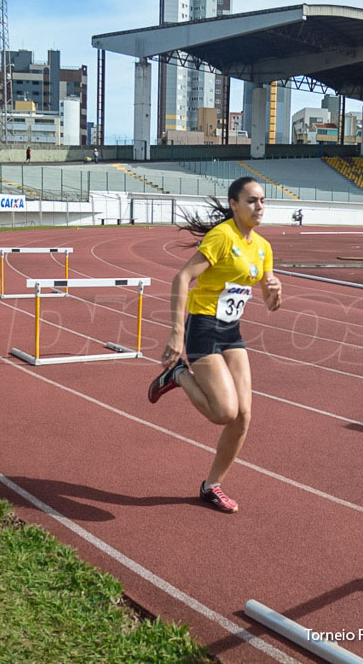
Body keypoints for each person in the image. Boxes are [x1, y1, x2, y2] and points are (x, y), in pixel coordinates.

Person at [147, 177, 283, 513]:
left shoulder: (263, 247)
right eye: (251, 201)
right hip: (203, 327)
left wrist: (275, 294)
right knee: (224, 412)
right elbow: (182, 278)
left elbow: (268, 302)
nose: (259, 207)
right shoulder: (222, 237)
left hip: (231, 331)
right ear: (234, 204)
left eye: (263, 201)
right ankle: (178, 374)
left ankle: (212, 486)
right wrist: (176, 333)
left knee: (244, 416)